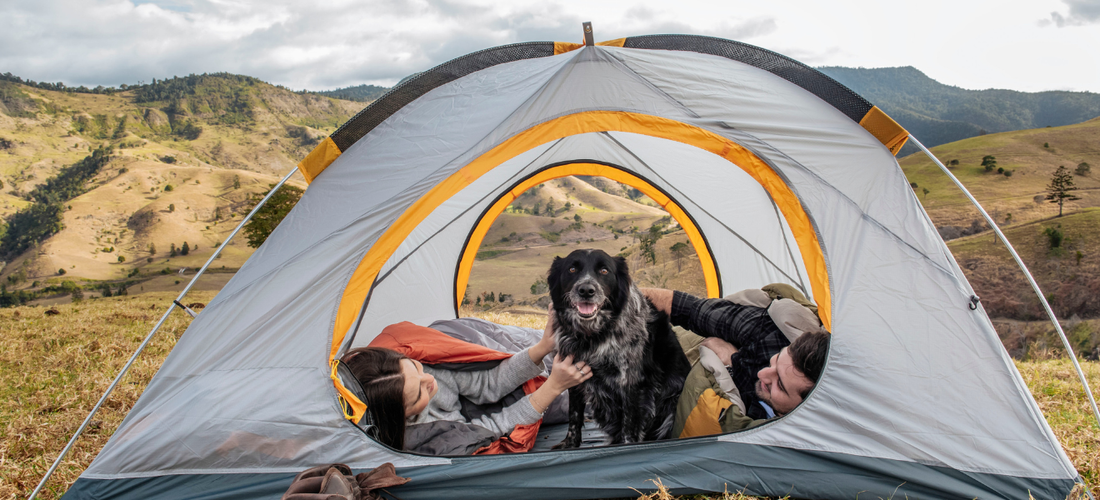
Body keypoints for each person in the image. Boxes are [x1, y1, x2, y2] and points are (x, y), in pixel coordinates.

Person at [341, 315, 591, 451]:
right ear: (401, 416)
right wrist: (553, 387)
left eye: (415, 368)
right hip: (478, 415)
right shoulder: (428, 434)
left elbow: (487, 382)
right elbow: (493, 427)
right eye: (418, 395)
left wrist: (543, 346)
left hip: (475, 382)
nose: (429, 380)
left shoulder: (426, 369)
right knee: (585, 394)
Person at [643, 287, 830, 420]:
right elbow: (686, 308)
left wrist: (729, 366)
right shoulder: (767, 334)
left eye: (779, 384)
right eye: (777, 360)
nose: (762, 373)